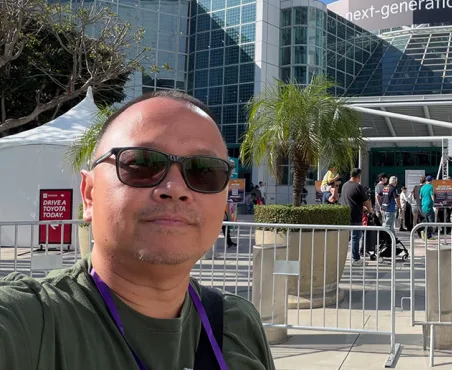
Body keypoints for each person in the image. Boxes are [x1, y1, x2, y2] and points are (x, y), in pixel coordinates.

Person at [0, 91, 275, 369]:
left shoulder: (237, 325)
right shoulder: (29, 324)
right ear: (89, 195)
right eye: (142, 164)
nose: (175, 189)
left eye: (204, 171)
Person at [340, 168, 374, 266]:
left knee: (346, 238)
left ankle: (341, 257)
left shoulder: (345, 185)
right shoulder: (358, 187)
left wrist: (362, 207)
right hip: (355, 216)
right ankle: (355, 259)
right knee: (356, 238)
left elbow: (350, 200)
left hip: (346, 215)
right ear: (358, 177)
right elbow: (366, 201)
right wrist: (370, 210)